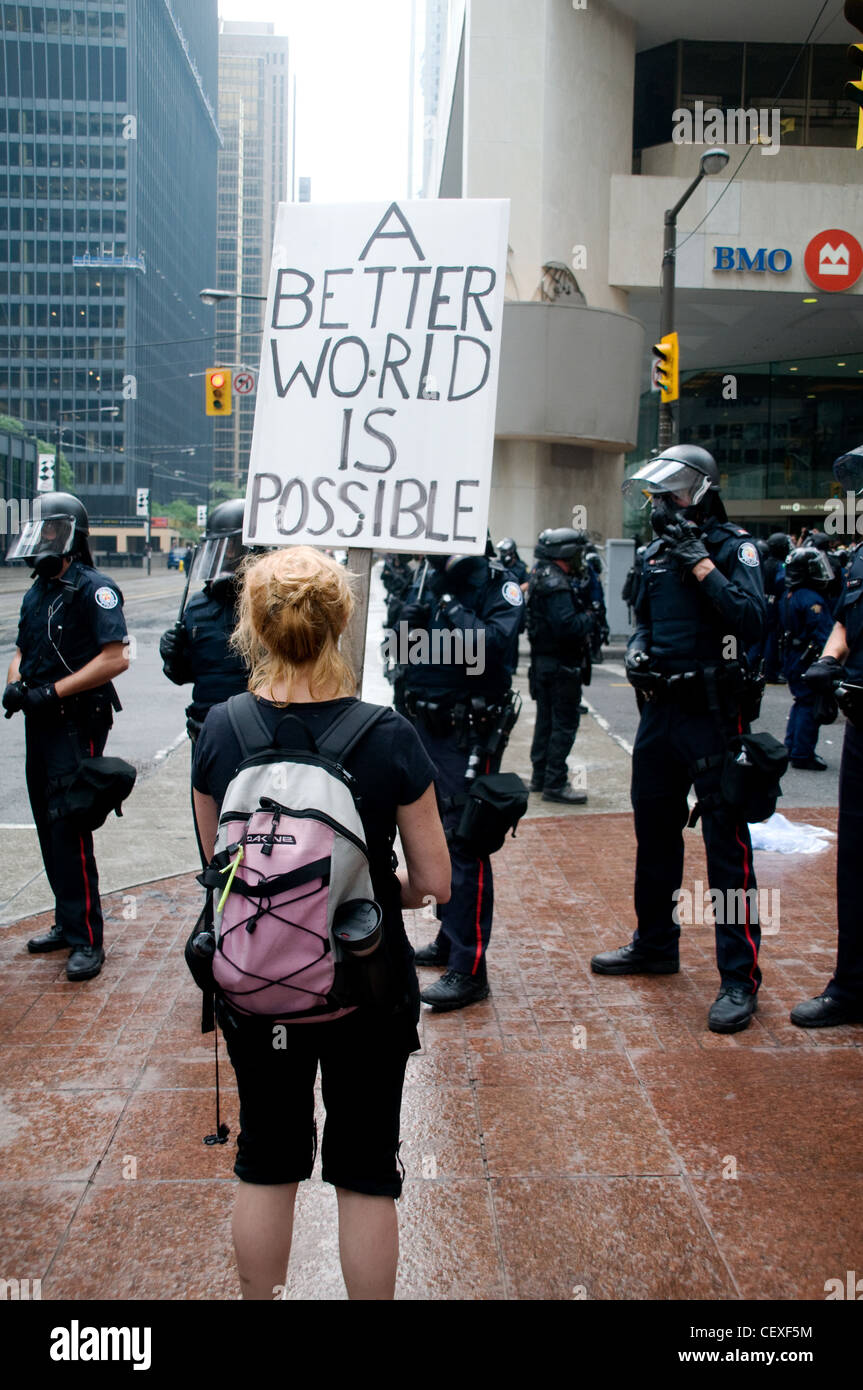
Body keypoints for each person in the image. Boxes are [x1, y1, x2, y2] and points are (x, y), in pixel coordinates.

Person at [191, 546, 451, 1299]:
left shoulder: (221, 729)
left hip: (252, 985)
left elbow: (217, 867)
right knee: (366, 1169)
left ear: (253, 626)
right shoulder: (387, 734)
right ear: (341, 623)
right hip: (364, 986)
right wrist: (371, 887)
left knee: (266, 1158)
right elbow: (432, 883)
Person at [590, 445, 767, 1034]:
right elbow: (641, 618)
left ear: (702, 491)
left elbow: (751, 620)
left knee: (727, 847)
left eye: (673, 494)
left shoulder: (731, 546)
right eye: (657, 495)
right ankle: (656, 943)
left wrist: (701, 562)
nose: (661, 504)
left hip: (713, 715)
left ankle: (739, 979)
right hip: (659, 713)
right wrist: (639, 648)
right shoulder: (655, 552)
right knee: (654, 833)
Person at [2, 492, 129, 981]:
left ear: (71, 534)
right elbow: (21, 649)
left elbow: (115, 657)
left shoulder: (93, 588)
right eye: (38, 530)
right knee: (45, 821)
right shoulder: (38, 590)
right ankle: (66, 919)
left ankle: (87, 939)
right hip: (42, 719)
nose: (42, 539)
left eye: (51, 530)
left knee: (69, 824)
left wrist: (50, 692)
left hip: (77, 720)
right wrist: (16, 684)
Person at [401, 548, 524, 1010]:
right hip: (425, 728)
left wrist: (451, 607)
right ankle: (450, 939)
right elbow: (407, 658)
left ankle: (469, 970)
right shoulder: (425, 577)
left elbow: (492, 647)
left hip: (468, 733)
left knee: (465, 843)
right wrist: (408, 624)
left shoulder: (499, 583)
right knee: (435, 839)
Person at [791, 444, 863, 1027]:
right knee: (857, 862)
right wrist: (830, 658)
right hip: (861, 728)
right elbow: (845, 618)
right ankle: (852, 987)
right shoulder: (861, 558)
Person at [159, 500, 251, 745]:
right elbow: (184, 675)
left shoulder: (270, 606)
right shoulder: (197, 604)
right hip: (204, 728)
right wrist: (172, 655)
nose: (226, 555)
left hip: (253, 733)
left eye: (232, 546)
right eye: (220, 548)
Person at [526, 527, 593, 804]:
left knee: (546, 722)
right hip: (560, 668)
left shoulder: (541, 576)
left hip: (545, 665)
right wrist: (590, 617)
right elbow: (567, 627)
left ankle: (541, 777)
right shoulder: (557, 583)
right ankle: (554, 782)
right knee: (562, 725)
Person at [779, 547, 835, 771]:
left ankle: (792, 746)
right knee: (809, 703)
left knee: (801, 701)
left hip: (793, 654)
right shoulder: (811, 598)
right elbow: (823, 634)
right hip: (806, 657)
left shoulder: (789, 594)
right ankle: (802, 753)